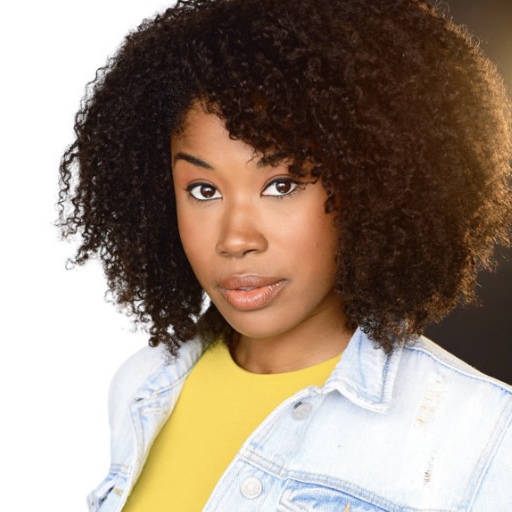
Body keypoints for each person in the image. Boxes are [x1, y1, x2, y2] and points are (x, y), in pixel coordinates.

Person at [58, 0, 512, 510]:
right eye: (204, 190)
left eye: (281, 185)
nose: (235, 239)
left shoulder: (482, 436)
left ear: (369, 187)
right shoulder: (143, 386)